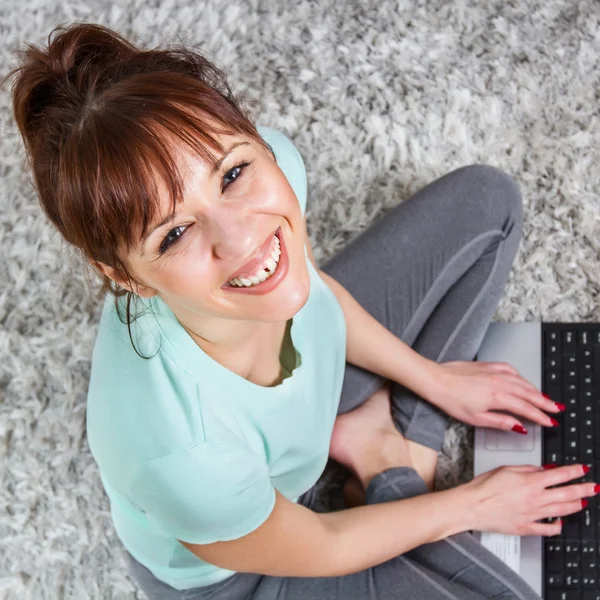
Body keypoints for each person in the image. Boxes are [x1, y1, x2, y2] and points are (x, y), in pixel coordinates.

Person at [4, 21, 595, 600]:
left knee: (488, 206)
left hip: (300, 431)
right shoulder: (180, 457)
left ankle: (372, 437)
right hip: (247, 570)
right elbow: (321, 542)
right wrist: (474, 504)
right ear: (123, 276)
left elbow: (314, 294)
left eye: (233, 173)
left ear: (257, 143)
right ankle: (390, 466)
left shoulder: (275, 171)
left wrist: (433, 380)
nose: (241, 240)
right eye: (174, 234)